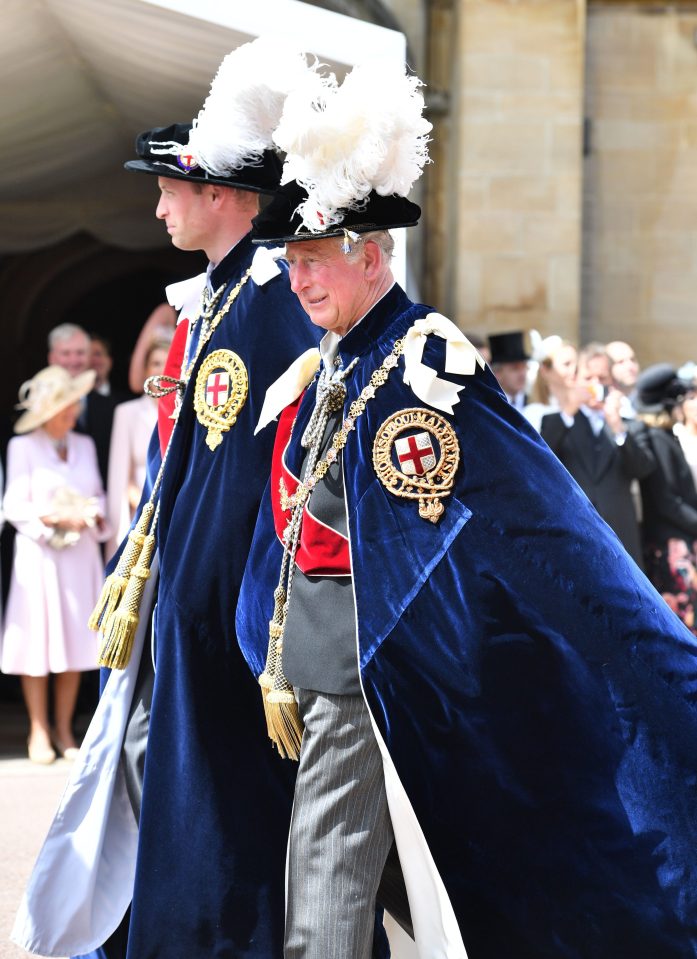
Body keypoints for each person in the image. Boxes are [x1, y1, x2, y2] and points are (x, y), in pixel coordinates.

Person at [235, 60, 697, 958]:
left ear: (370, 255)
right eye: (290, 265)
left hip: (386, 672)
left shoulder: (424, 364)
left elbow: (542, 525)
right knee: (355, 882)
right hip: (324, 666)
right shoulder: (336, 362)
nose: (297, 282)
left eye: (313, 261)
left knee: (327, 883)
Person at [14, 39, 320, 959]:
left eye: (168, 188)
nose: (156, 205)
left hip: (214, 598)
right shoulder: (218, 299)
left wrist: (193, 596)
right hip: (177, 589)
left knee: (217, 791)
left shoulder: (263, 298)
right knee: (163, 780)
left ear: (221, 195)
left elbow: (246, 477)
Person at [1, 366, 108, 763]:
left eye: (72, 405)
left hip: (79, 557)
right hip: (40, 557)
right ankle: (38, 731)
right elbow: (13, 505)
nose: (71, 412)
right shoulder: (22, 446)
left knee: (75, 643)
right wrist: (52, 519)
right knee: (38, 644)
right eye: (64, 407)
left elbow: (97, 493)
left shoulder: (84, 444)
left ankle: (65, 730)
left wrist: (91, 515)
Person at [540, 342, 655, 566]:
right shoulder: (558, 422)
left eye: (601, 379)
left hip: (620, 536)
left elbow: (642, 469)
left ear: (611, 382)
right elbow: (541, 459)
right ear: (575, 379)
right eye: (588, 378)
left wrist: (617, 427)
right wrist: (569, 410)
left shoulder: (629, 426)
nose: (595, 385)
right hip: (575, 533)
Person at [634, 363, 697, 635]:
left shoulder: (664, 436)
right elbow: (666, 499)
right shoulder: (657, 439)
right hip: (670, 549)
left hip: (678, 542)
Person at [105, 338, 170, 560]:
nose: (161, 370)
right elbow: (120, 471)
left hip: (175, 514)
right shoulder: (127, 412)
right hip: (138, 513)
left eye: (168, 362)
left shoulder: (185, 413)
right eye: (155, 363)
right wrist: (146, 506)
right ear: (145, 370)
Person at [48, 323, 120, 485]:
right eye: (66, 353)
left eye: (80, 353)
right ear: (52, 358)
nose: (73, 360)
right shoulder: (36, 407)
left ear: (89, 358)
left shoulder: (112, 407)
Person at [523, 335, 578, 432]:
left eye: (576, 364)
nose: (574, 370)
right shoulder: (533, 413)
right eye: (567, 364)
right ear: (544, 370)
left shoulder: (582, 409)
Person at [488, 330, 531, 410]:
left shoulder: (535, 403)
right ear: (497, 373)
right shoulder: (491, 408)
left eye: (524, 367)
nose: (522, 374)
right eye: (515, 368)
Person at [606, 339, 640, 417]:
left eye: (632, 360)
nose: (630, 367)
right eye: (620, 362)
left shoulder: (648, 398)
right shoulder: (599, 403)